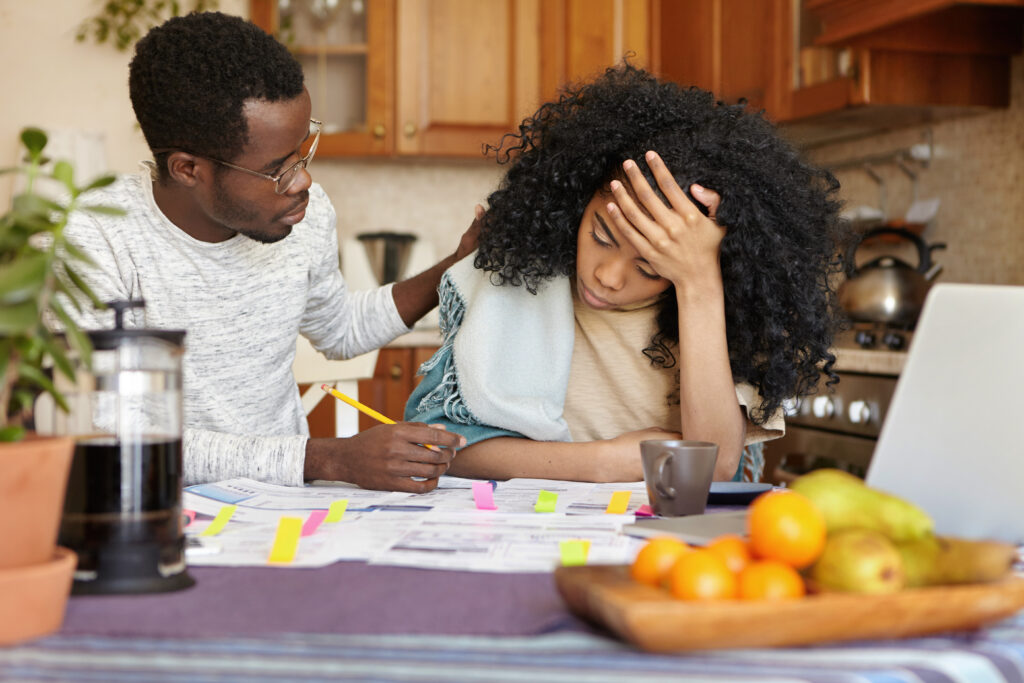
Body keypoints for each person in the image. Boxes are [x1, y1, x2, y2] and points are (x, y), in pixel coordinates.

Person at [61, 12, 477, 493]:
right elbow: (113, 434)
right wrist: (327, 458)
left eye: (304, 151)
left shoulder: (306, 213)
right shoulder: (95, 239)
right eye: (278, 168)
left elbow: (339, 328)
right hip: (154, 512)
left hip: (280, 509)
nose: (303, 181)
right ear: (188, 169)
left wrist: (455, 263)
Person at [405, 64, 847, 483]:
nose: (608, 277)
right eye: (600, 235)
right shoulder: (516, 279)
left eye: (649, 266)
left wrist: (699, 283)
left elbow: (714, 465)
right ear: (578, 200)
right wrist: (606, 461)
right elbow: (438, 447)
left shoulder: (734, 313)